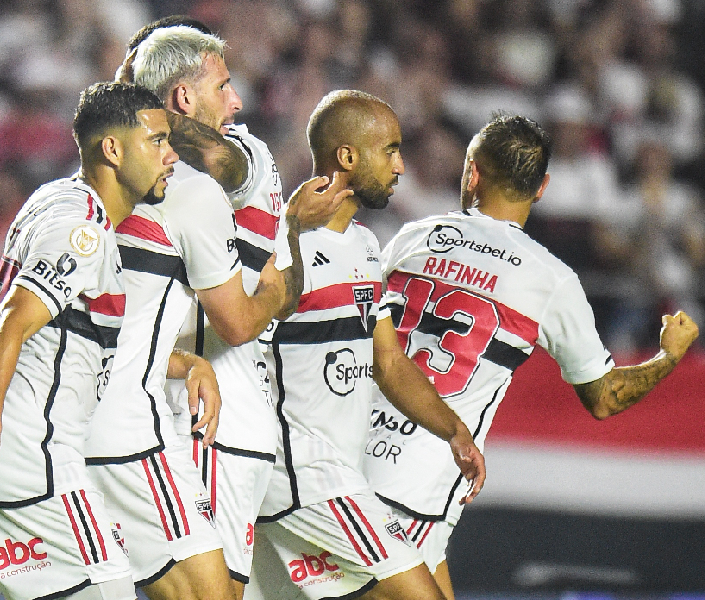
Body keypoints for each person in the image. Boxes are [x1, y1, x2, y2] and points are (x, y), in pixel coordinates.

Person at [361, 113, 700, 600]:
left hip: (358, 452)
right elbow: (604, 398)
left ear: (471, 171)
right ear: (541, 188)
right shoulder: (551, 279)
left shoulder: (413, 237)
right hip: (415, 480)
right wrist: (667, 357)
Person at [0, 81, 206, 600]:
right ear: (112, 148)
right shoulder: (83, 228)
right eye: (157, 141)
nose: (171, 155)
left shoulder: (51, 199)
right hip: (18, 452)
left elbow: (70, 338)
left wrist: (181, 363)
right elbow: (13, 319)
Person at [84, 24, 347, 600]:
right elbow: (286, 289)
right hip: (194, 406)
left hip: (203, 420)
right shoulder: (149, 180)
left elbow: (250, 313)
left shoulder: (236, 158)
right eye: (226, 86)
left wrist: (121, 107)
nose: (238, 100)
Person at [251, 90, 485, 600]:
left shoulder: (363, 244)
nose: (401, 165)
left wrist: (454, 431)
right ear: (349, 157)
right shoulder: (277, 240)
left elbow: (388, 360)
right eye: (391, 150)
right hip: (301, 474)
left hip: (325, 476)